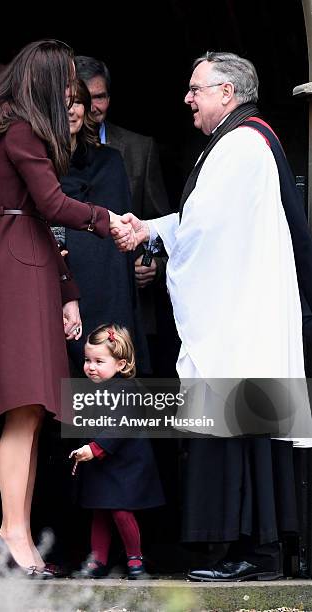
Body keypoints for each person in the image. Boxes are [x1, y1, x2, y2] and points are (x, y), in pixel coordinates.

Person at [112, 51, 312, 581]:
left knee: (241, 433)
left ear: (227, 93)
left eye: (196, 88)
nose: (188, 98)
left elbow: (205, 232)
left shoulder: (241, 145)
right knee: (247, 430)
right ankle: (249, 550)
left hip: (240, 323)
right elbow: (202, 220)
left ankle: (254, 552)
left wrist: (155, 239)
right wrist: (150, 228)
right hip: (245, 316)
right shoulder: (242, 141)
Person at [0, 39, 132, 577]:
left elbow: (45, 223)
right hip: (17, 265)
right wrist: (111, 222)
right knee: (23, 409)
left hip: (27, 260)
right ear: (42, 80)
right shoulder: (21, 132)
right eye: (64, 79)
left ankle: (17, 534)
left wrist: (67, 290)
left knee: (34, 410)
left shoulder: (19, 132)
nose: (72, 90)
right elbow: (54, 206)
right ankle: (12, 531)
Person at [75, 56, 176, 374]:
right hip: (73, 303)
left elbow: (161, 222)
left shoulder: (138, 148)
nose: (93, 106)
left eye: (101, 96)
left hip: (129, 302)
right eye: (84, 98)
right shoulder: (47, 151)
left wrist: (154, 267)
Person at [57, 78, 150, 374]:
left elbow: (123, 233)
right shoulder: (38, 164)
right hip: (63, 287)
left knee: (109, 385)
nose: (71, 110)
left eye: (77, 103)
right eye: (62, 103)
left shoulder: (111, 161)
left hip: (110, 290)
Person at [69, 323, 165, 579]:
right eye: (87, 360)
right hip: (101, 464)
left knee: (121, 511)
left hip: (125, 464)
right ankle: (97, 560)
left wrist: (95, 447)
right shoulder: (90, 390)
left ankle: (135, 559)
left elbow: (119, 426)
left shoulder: (128, 391)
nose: (90, 366)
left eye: (99, 361)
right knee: (99, 510)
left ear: (120, 364)